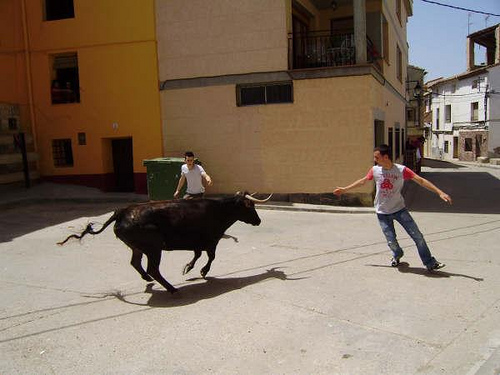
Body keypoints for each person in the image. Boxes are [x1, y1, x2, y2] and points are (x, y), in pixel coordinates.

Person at [333, 144, 452, 271]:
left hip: (400, 210)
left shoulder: (401, 170)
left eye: (377, 157)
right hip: (382, 212)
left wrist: (440, 192)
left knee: (418, 237)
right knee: (391, 241)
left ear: (385, 157)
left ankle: (430, 263)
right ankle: (397, 254)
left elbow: (420, 180)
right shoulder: (375, 170)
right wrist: (345, 189)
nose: (375, 160)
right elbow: (363, 181)